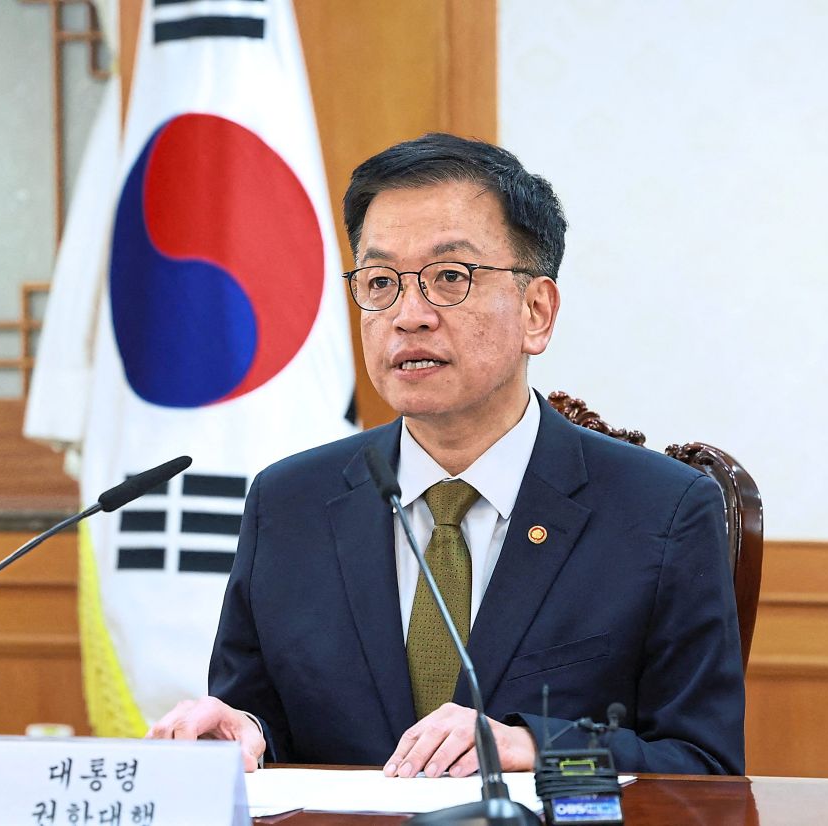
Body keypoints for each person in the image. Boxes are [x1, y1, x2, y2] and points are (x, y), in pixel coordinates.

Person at [149, 133, 745, 777]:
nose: (408, 315)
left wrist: (540, 749)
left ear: (536, 312)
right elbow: (263, 722)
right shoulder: (289, 501)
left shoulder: (661, 509)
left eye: (449, 278)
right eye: (379, 282)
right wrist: (239, 735)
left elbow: (701, 766)